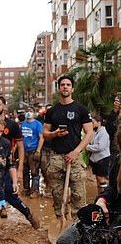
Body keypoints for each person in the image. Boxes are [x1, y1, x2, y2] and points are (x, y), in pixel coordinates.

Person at [43, 74, 93, 226]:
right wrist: (55, 134)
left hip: (75, 157)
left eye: (68, 84)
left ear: (72, 88)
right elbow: (45, 133)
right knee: (57, 194)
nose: (65, 87)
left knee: (79, 194)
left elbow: (89, 133)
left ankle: (79, 226)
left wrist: (76, 151)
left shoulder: (81, 109)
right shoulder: (52, 111)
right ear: (59, 88)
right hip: (57, 158)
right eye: (62, 84)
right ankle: (60, 222)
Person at [0, 116, 40, 230]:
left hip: (2, 180)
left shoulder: (5, 144)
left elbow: (10, 164)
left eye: (1, 131)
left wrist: (15, 181)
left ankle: (29, 215)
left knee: (14, 199)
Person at [21, 109, 44, 197]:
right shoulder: (22, 124)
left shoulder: (38, 124)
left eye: (31, 111)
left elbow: (41, 138)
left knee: (35, 172)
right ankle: (26, 189)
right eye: (27, 111)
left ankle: (35, 191)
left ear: (34, 113)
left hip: (34, 150)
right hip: (24, 151)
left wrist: (38, 150)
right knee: (25, 171)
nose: (29, 112)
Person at [87, 114, 110, 193]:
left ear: (99, 122)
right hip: (96, 159)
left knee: (101, 178)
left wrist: (87, 147)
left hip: (102, 159)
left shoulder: (103, 133)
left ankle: (105, 195)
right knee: (97, 178)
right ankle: (99, 195)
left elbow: (99, 147)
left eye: (93, 122)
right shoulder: (95, 132)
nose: (91, 124)